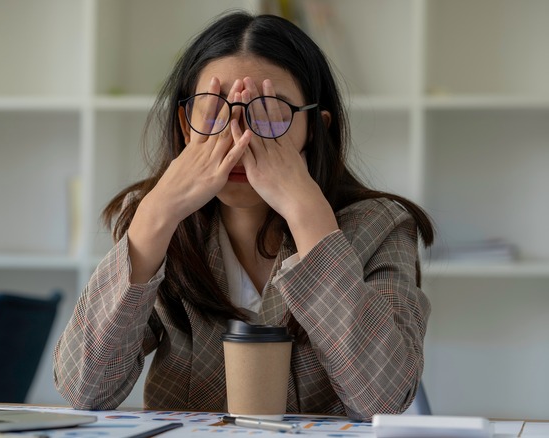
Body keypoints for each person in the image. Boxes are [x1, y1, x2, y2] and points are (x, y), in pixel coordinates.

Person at [53, 10, 434, 421]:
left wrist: (310, 219)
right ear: (185, 125)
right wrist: (155, 216)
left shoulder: (381, 226)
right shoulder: (157, 223)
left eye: (268, 112)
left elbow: (384, 400)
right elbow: (84, 390)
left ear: (315, 129)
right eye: (214, 111)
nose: (239, 136)